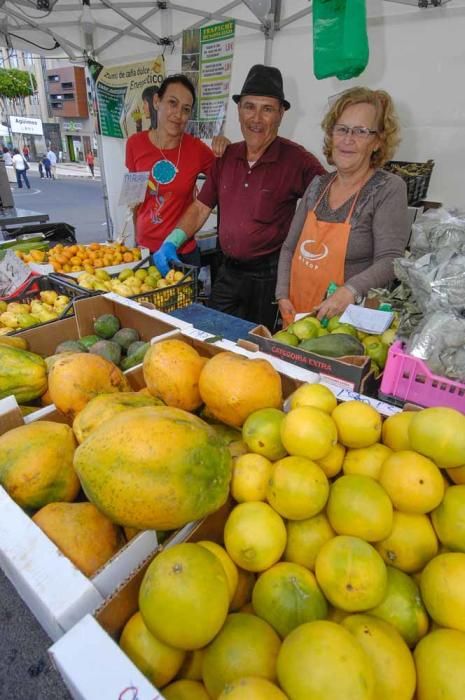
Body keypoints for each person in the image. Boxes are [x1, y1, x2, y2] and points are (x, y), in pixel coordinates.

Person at [154, 64, 326, 330]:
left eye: (267, 109)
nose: (256, 118)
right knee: (211, 335)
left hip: (269, 278)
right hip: (228, 272)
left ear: (281, 114)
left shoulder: (297, 160)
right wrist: (172, 241)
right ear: (239, 110)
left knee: (257, 346)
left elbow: (331, 201)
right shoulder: (227, 158)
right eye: (249, 107)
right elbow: (200, 208)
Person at [276, 87, 410, 326]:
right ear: (332, 134)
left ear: (377, 141)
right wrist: (282, 295)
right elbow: (289, 248)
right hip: (299, 317)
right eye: (342, 129)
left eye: (361, 131)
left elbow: (390, 260)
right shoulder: (317, 186)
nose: (348, 139)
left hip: (349, 324)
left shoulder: (388, 189)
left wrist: (350, 290)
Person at [125, 73, 229, 262]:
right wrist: (135, 241)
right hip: (145, 251)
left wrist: (225, 148)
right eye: (172, 103)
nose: (178, 114)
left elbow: (228, 174)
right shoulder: (135, 144)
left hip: (182, 252)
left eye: (186, 109)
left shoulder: (196, 149)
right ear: (157, 101)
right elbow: (134, 198)